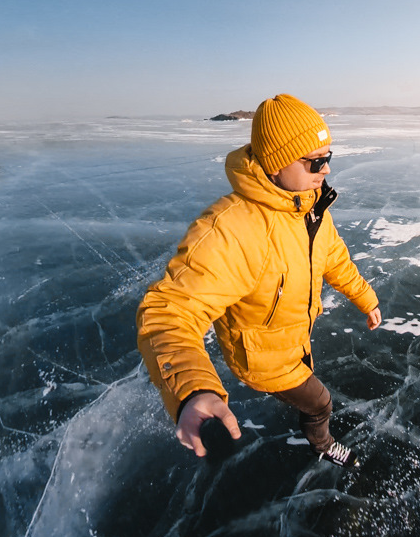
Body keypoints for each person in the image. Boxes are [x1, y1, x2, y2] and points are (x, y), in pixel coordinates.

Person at [136, 93, 381, 468]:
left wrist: (367, 298)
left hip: (292, 342)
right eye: (317, 161)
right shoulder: (233, 229)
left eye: (330, 157)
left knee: (310, 386)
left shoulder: (310, 209)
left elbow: (335, 259)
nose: (327, 170)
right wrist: (192, 389)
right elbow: (170, 311)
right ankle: (323, 444)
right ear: (277, 164)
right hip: (262, 363)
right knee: (320, 403)